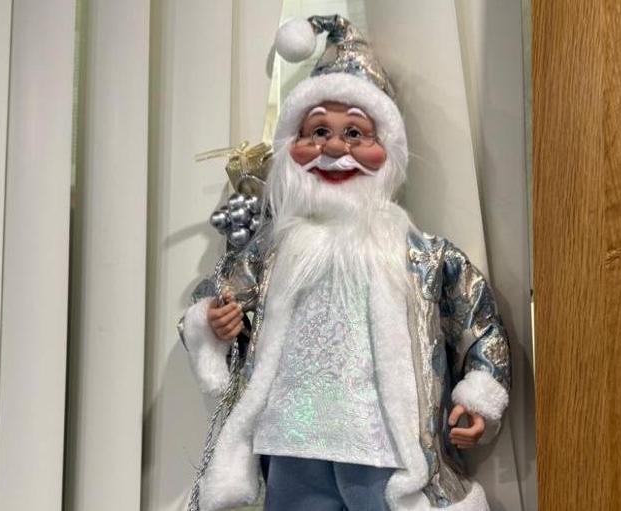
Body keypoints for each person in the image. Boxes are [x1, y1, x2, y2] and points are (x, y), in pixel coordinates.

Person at [179, 14, 510, 511]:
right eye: (317, 131)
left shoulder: (420, 256)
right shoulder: (273, 250)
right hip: (290, 441)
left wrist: (478, 395)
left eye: (355, 133)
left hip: (383, 449)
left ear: (387, 149)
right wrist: (212, 321)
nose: (334, 147)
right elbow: (217, 293)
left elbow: (477, 321)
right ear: (291, 147)